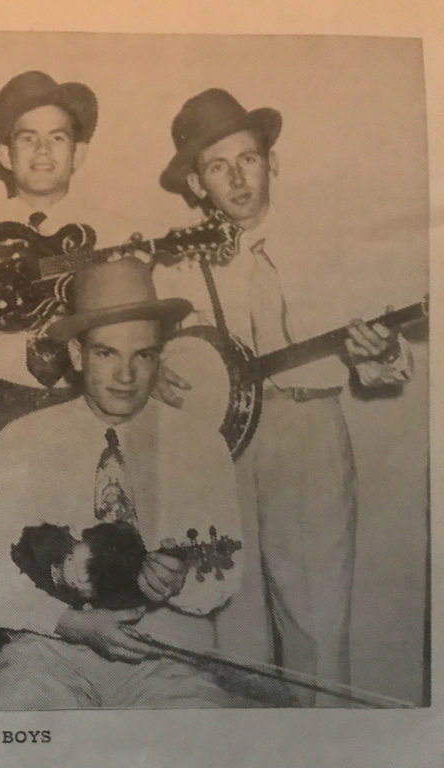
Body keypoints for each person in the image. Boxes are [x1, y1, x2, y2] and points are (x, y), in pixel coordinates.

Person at [152, 88, 413, 704]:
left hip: (306, 431)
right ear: (195, 183)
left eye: (248, 158)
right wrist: (160, 371)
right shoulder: (176, 263)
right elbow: (154, 362)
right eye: (218, 166)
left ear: (273, 163)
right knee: (231, 615)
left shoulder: (329, 245)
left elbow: (387, 367)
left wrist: (377, 350)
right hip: (219, 450)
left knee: (316, 618)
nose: (238, 177)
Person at [0, 258, 244, 709]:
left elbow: (226, 572)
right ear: (76, 354)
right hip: (49, 652)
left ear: (160, 354)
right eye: (106, 353)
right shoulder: (22, 439)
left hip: (167, 653)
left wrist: (179, 583)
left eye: (143, 355)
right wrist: (68, 622)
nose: (126, 375)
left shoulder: (200, 444)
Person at [0, 71, 113, 542]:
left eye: (57, 138)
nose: (43, 151)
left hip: (78, 406)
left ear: (78, 154)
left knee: (87, 549)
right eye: (28, 139)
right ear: (5, 155)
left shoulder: (110, 237)